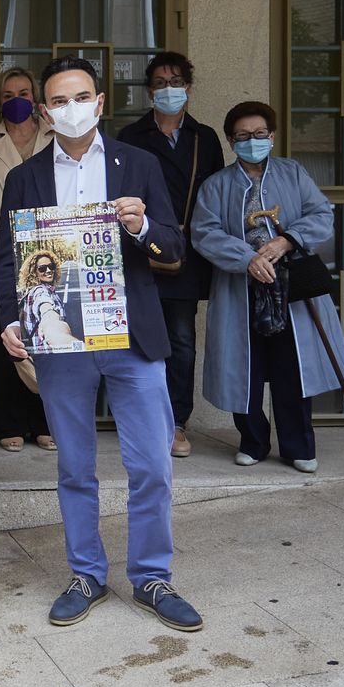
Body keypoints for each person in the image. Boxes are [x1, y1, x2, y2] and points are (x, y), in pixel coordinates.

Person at [0, 57, 203, 633]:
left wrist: (140, 228)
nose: (72, 109)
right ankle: (86, 574)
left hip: (132, 336)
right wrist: (11, 319)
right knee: (75, 467)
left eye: (81, 97)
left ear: (101, 102)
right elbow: (9, 260)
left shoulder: (137, 164)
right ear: (45, 111)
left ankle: (153, 577)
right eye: (59, 102)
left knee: (152, 464)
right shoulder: (24, 178)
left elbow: (173, 248)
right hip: (61, 341)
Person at [191, 101, 344, 474]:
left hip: (291, 287)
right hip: (240, 286)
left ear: (272, 136)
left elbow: (321, 213)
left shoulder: (293, 173)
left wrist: (287, 240)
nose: (253, 141)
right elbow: (204, 232)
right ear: (231, 140)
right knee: (244, 366)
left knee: (291, 365)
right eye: (243, 136)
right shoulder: (216, 185)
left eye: (259, 134)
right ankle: (253, 441)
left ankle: (298, 446)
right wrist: (246, 257)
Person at [116, 52, 225, 458]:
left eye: (176, 82)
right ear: (149, 91)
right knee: (138, 337)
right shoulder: (130, 136)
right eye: (160, 83)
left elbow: (215, 195)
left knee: (181, 339)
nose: (168, 89)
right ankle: (142, 418)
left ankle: (177, 422)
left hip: (186, 252)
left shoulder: (204, 138)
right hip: (138, 249)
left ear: (188, 88)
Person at [0, 66, 55, 452]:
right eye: (8, 95)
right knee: (4, 341)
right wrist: (2, 232)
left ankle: (45, 423)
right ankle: (10, 424)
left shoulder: (56, 137)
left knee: (47, 335)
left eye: (23, 93)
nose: (16, 101)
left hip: (50, 254)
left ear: (35, 98)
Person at [17, 251, 74, 349]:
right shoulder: (40, 291)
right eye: (42, 268)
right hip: (49, 352)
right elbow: (45, 306)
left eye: (51, 266)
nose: (48, 271)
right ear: (34, 272)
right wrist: (51, 320)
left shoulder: (43, 290)